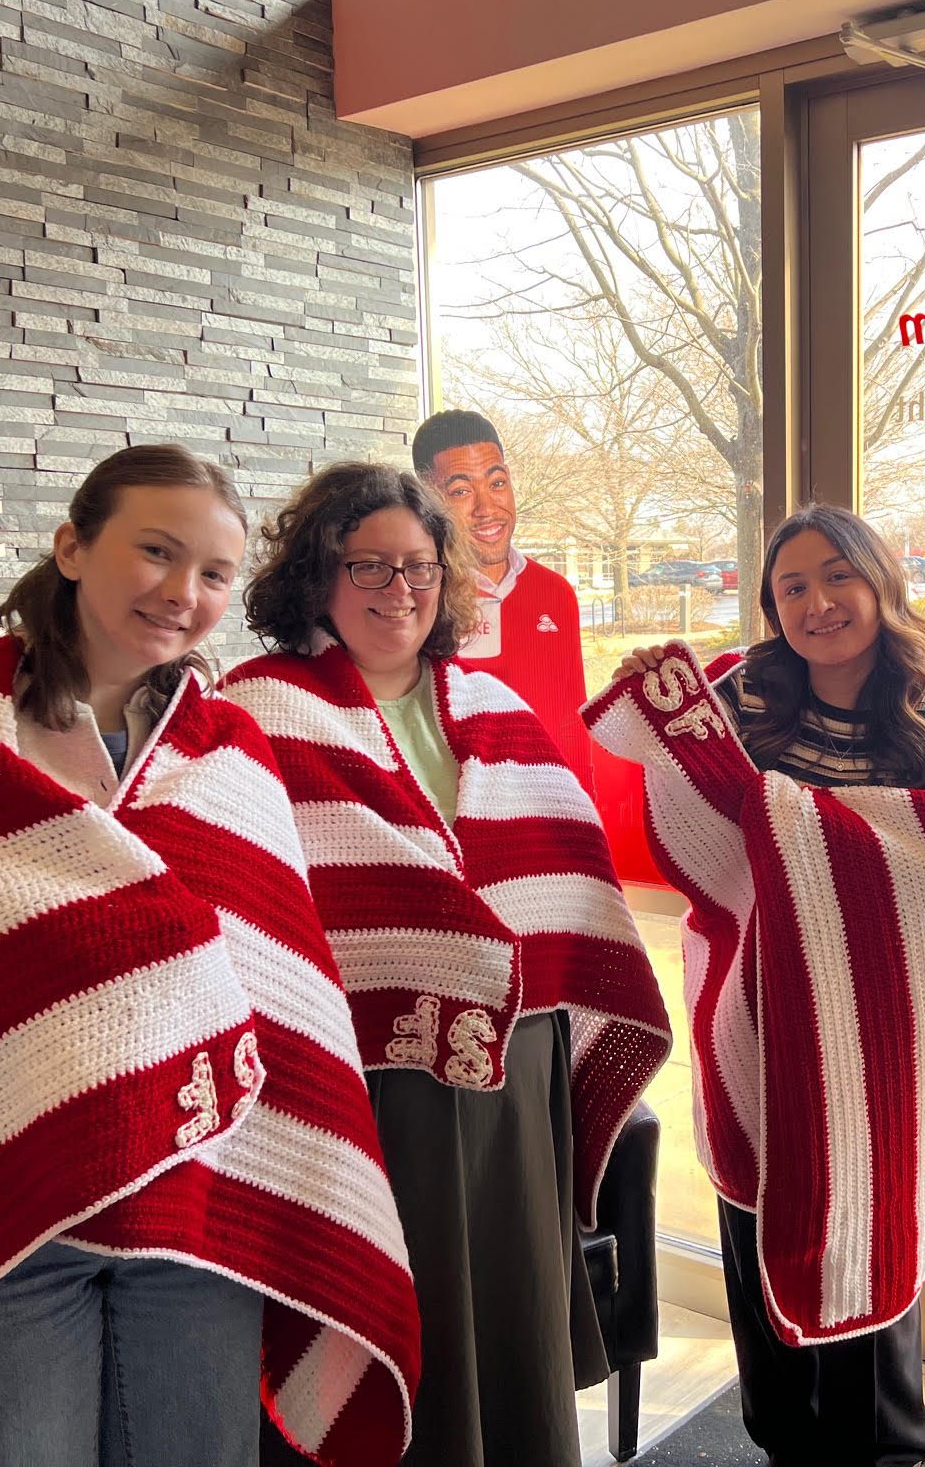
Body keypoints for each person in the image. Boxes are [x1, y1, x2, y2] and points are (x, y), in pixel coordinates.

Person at [0, 445, 419, 1467]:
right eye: (156, 551)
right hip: (1, 1225)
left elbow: (281, 986)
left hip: (201, 1213)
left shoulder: (230, 753)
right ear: (71, 547)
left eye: (214, 573)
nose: (182, 592)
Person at [220, 461, 672, 1467]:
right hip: (361, 1079)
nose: (400, 589)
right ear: (317, 575)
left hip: (516, 1075)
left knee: (508, 1327)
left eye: (420, 566)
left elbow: (564, 880)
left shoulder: (494, 705)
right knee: (391, 1312)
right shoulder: (257, 711)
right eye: (368, 565)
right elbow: (240, 894)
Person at [593, 503, 925, 1467]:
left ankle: (883, 1447)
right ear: (771, 604)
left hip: (882, 1019)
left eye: (838, 577)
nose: (818, 603)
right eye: (792, 588)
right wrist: (657, 708)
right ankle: (781, 1436)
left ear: (881, 583)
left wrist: (801, 833)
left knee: (870, 1207)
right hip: (747, 998)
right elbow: (694, 818)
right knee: (756, 1195)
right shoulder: (743, 697)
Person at [412, 409, 597, 794]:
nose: (486, 508)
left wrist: (585, 808)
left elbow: (572, 723)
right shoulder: (417, 595)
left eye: (497, 483)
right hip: (464, 811)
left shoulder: (555, 592)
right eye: (460, 491)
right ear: (426, 499)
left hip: (551, 806)